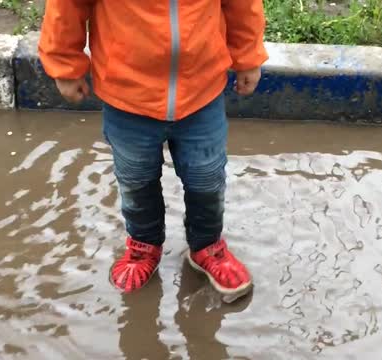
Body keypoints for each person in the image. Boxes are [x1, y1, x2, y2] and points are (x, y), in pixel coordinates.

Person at [38, 0, 268, 302]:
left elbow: (242, 5)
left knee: (207, 177)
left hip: (202, 90)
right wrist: (65, 64)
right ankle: (143, 244)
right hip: (127, 95)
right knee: (135, 178)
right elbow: (67, 6)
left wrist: (248, 57)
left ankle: (206, 246)